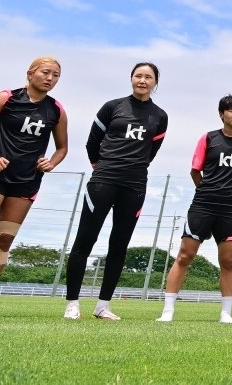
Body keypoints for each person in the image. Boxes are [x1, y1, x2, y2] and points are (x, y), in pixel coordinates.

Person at [65, 62, 168, 320]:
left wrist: (132, 169)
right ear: (131, 78)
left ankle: (103, 305)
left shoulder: (160, 116)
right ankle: (72, 303)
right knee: (84, 241)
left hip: (134, 186)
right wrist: (102, 168)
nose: (142, 80)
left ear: (156, 82)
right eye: (138, 75)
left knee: (119, 245)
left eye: (148, 77)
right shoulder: (112, 107)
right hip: (103, 181)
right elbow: (92, 143)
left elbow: (151, 152)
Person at [157, 95, 232, 324]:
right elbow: (195, 170)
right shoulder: (209, 138)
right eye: (230, 111)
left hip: (230, 208)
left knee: (228, 261)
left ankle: (226, 313)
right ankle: (168, 310)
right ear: (221, 114)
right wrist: (206, 191)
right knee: (185, 255)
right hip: (202, 205)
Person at [0, 57, 68, 284]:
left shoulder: (56, 110)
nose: (50, 78)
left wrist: (52, 162)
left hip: (26, 182)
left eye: (55, 75)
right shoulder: (7, 98)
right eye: (45, 72)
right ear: (29, 73)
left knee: (3, 240)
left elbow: (62, 148)